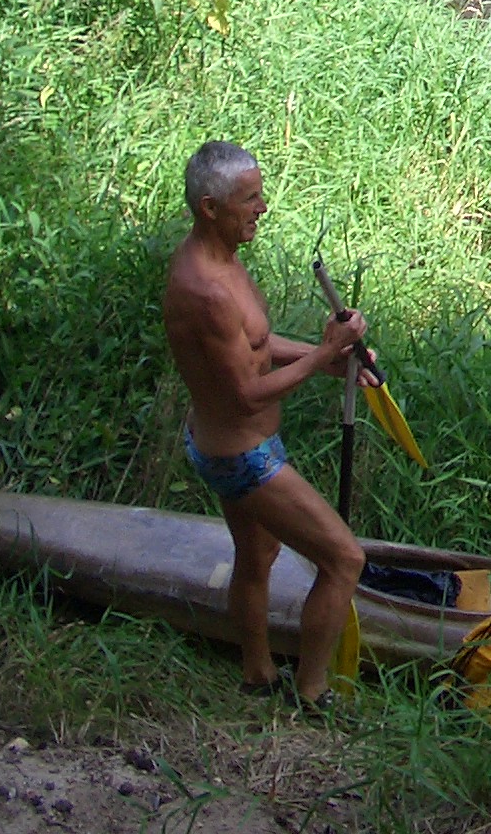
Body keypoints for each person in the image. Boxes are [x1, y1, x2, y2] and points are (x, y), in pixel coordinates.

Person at [162, 141, 369, 707]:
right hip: (242, 457)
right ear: (210, 207)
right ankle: (312, 692)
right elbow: (247, 394)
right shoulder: (204, 290)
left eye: (260, 194)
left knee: (257, 558)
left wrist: (333, 359)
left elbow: (255, 346)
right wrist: (323, 354)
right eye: (249, 199)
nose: (263, 207)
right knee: (344, 559)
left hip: (230, 442)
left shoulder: (223, 259)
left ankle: (258, 675)